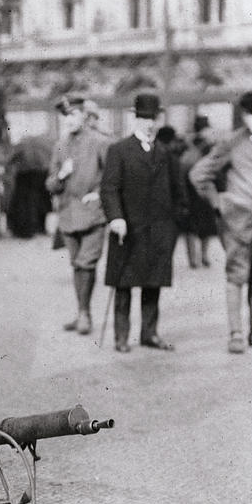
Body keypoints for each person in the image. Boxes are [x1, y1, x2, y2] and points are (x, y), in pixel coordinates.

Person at [190, 89, 252, 354]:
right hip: (238, 222)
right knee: (237, 274)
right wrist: (218, 202)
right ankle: (236, 334)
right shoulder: (230, 142)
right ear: (245, 115)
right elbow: (199, 174)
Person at [100, 93, 187, 352]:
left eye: (153, 118)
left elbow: (178, 189)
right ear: (135, 119)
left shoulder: (166, 153)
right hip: (127, 228)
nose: (149, 124)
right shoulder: (119, 151)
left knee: (153, 282)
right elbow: (109, 189)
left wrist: (175, 223)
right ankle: (121, 337)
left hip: (159, 230)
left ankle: (149, 333)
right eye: (144, 118)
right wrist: (115, 218)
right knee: (124, 283)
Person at [45, 94, 110, 335]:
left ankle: (84, 314)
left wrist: (101, 195)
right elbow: (50, 184)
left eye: (73, 114)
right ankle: (82, 311)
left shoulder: (100, 142)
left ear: (84, 115)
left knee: (86, 263)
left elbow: (113, 177)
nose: (69, 120)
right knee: (76, 265)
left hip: (93, 215)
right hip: (68, 216)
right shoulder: (60, 145)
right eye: (65, 116)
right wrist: (62, 175)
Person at [179, 115, 218, 268]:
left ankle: (193, 258)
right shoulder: (209, 144)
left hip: (189, 188)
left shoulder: (187, 143)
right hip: (204, 187)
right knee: (205, 225)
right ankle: (204, 256)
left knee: (191, 226)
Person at [5, 134, 52, 238]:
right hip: (41, 175)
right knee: (39, 202)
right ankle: (40, 228)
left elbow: (10, 160)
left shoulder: (21, 145)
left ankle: (25, 231)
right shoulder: (43, 144)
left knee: (24, 204)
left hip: (24, 176)